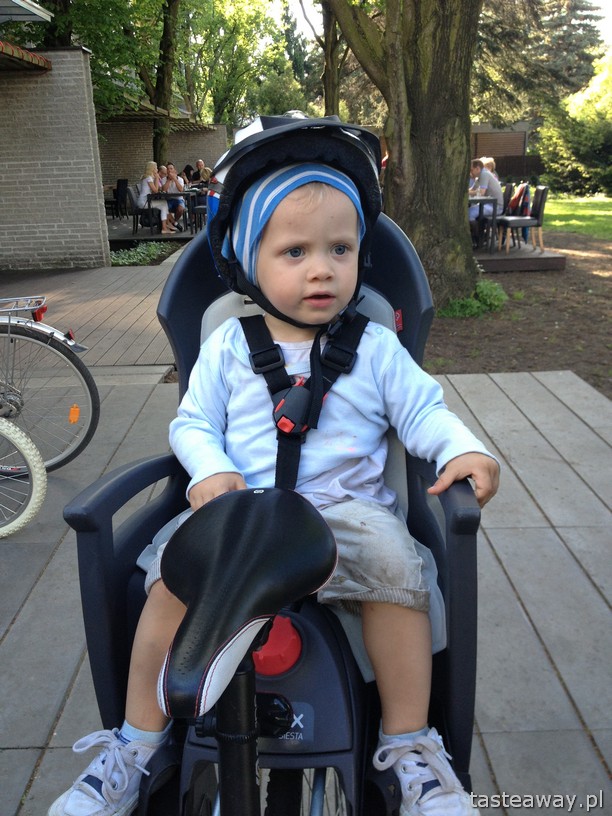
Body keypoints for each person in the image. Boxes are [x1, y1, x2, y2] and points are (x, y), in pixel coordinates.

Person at [49, 116, 499, 816]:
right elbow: (194, 424)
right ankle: (136, 743)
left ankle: (410, 745)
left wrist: (460, 446)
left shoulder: (375, 347)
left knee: (397, 573)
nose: (322, 268)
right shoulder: (229, 344)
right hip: (240, 515)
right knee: (170, 581)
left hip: (347, 516)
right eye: (295, 251)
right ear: (246, 259)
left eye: (341, 249)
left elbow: (423, 412)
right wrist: (207, 470)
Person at [468, 158, 503, 245]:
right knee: (469, 211)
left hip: (495, 207)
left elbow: (481, 193)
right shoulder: (481, 175)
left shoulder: (484, 174)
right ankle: (479, 237)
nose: (470, 172)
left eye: (471, 170)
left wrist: (466, 192)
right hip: (488, 204)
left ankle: (480, 238)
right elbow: (472, 190)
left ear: (477, 168)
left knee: (469, 214)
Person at [137, 161, 176, 234]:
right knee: (164, 204)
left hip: (145, 200)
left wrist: (156, 179)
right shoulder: (149, 178)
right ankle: (165, 227)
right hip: (144, 202)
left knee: (163, 204)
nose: (157, 170)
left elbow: (153, 191)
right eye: (156, 168)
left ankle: (165, 226)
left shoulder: (146, 177)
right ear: (152, 169)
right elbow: (155, 191)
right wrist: (157, 178)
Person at [161, 162, 186, 231]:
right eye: (168, 169)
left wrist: (175, 179)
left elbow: (181, 190)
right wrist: (169, 180)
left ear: (174, 170)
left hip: (178, 199)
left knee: (180, 209)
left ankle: (173, 221)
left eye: (171, 169)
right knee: (163, 208)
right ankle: (175, 223)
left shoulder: (180, 179)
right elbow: (164, 190)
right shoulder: (163, 179)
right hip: (168, 199)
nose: (169, 170)